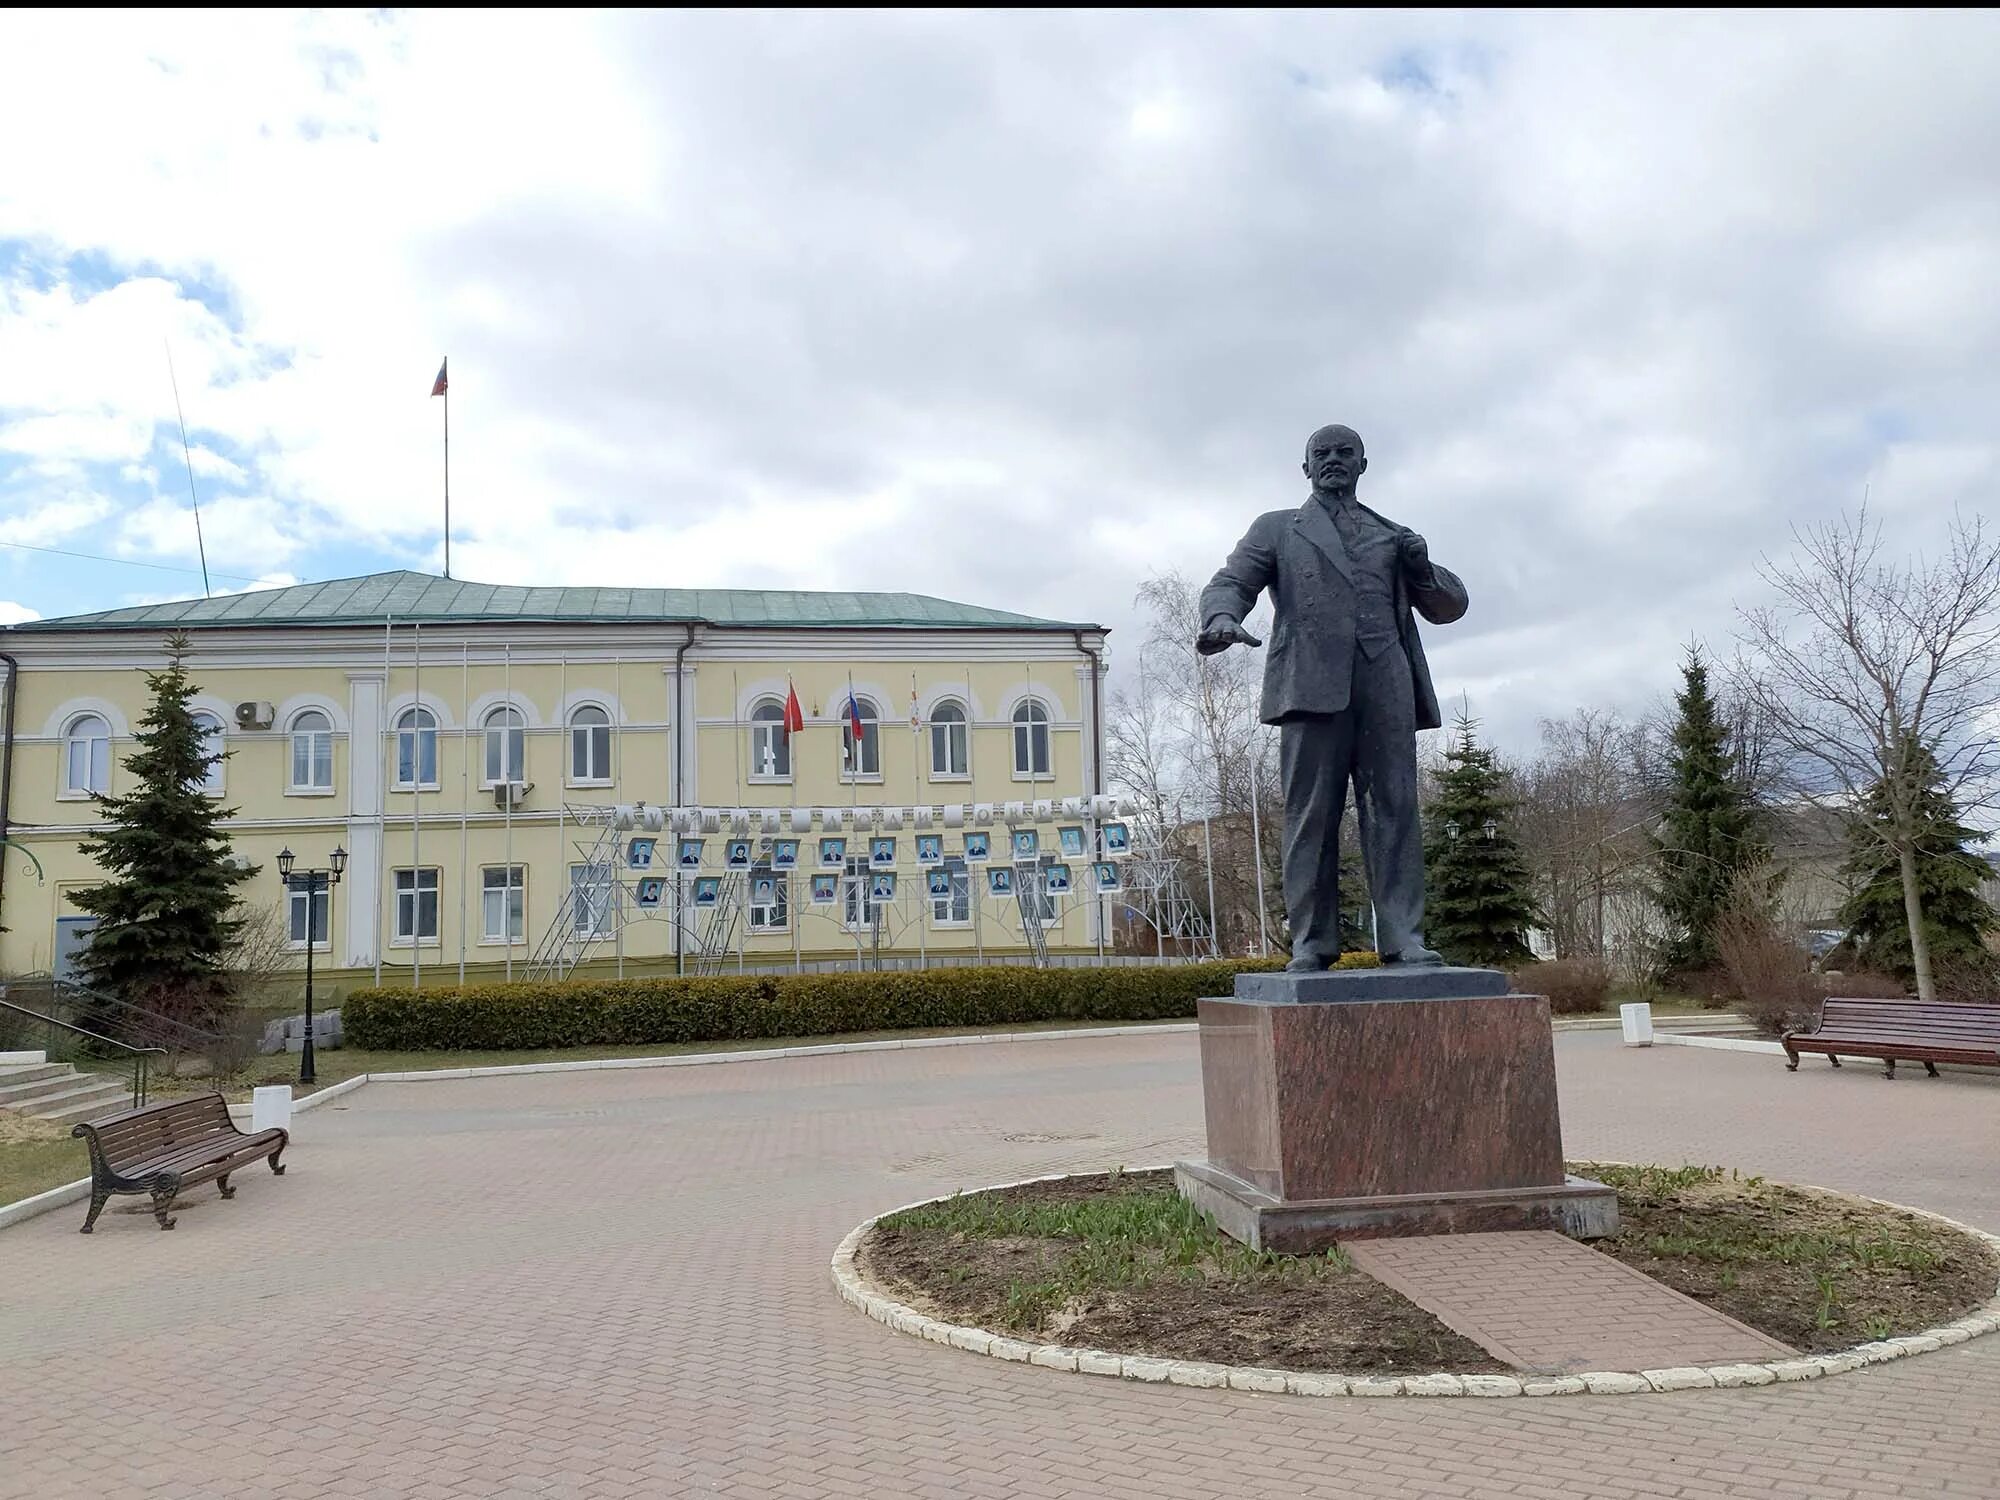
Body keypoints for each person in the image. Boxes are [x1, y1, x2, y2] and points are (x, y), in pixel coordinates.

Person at [1197, 425, 1468, 972]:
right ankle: (1312, 942)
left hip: (1385, 679)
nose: (1333, 460)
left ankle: (1403, 938)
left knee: (1395, 811)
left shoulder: (1394, 535)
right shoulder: (1278, 528)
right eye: (1321, 454)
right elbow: (1230, 581)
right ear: (1306, 469)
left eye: (1345, 453)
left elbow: (1449, 605)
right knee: (1310, 816)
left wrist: (1420, 566)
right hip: (1311, 687)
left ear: (1364, 464)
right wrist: (1223, 617)